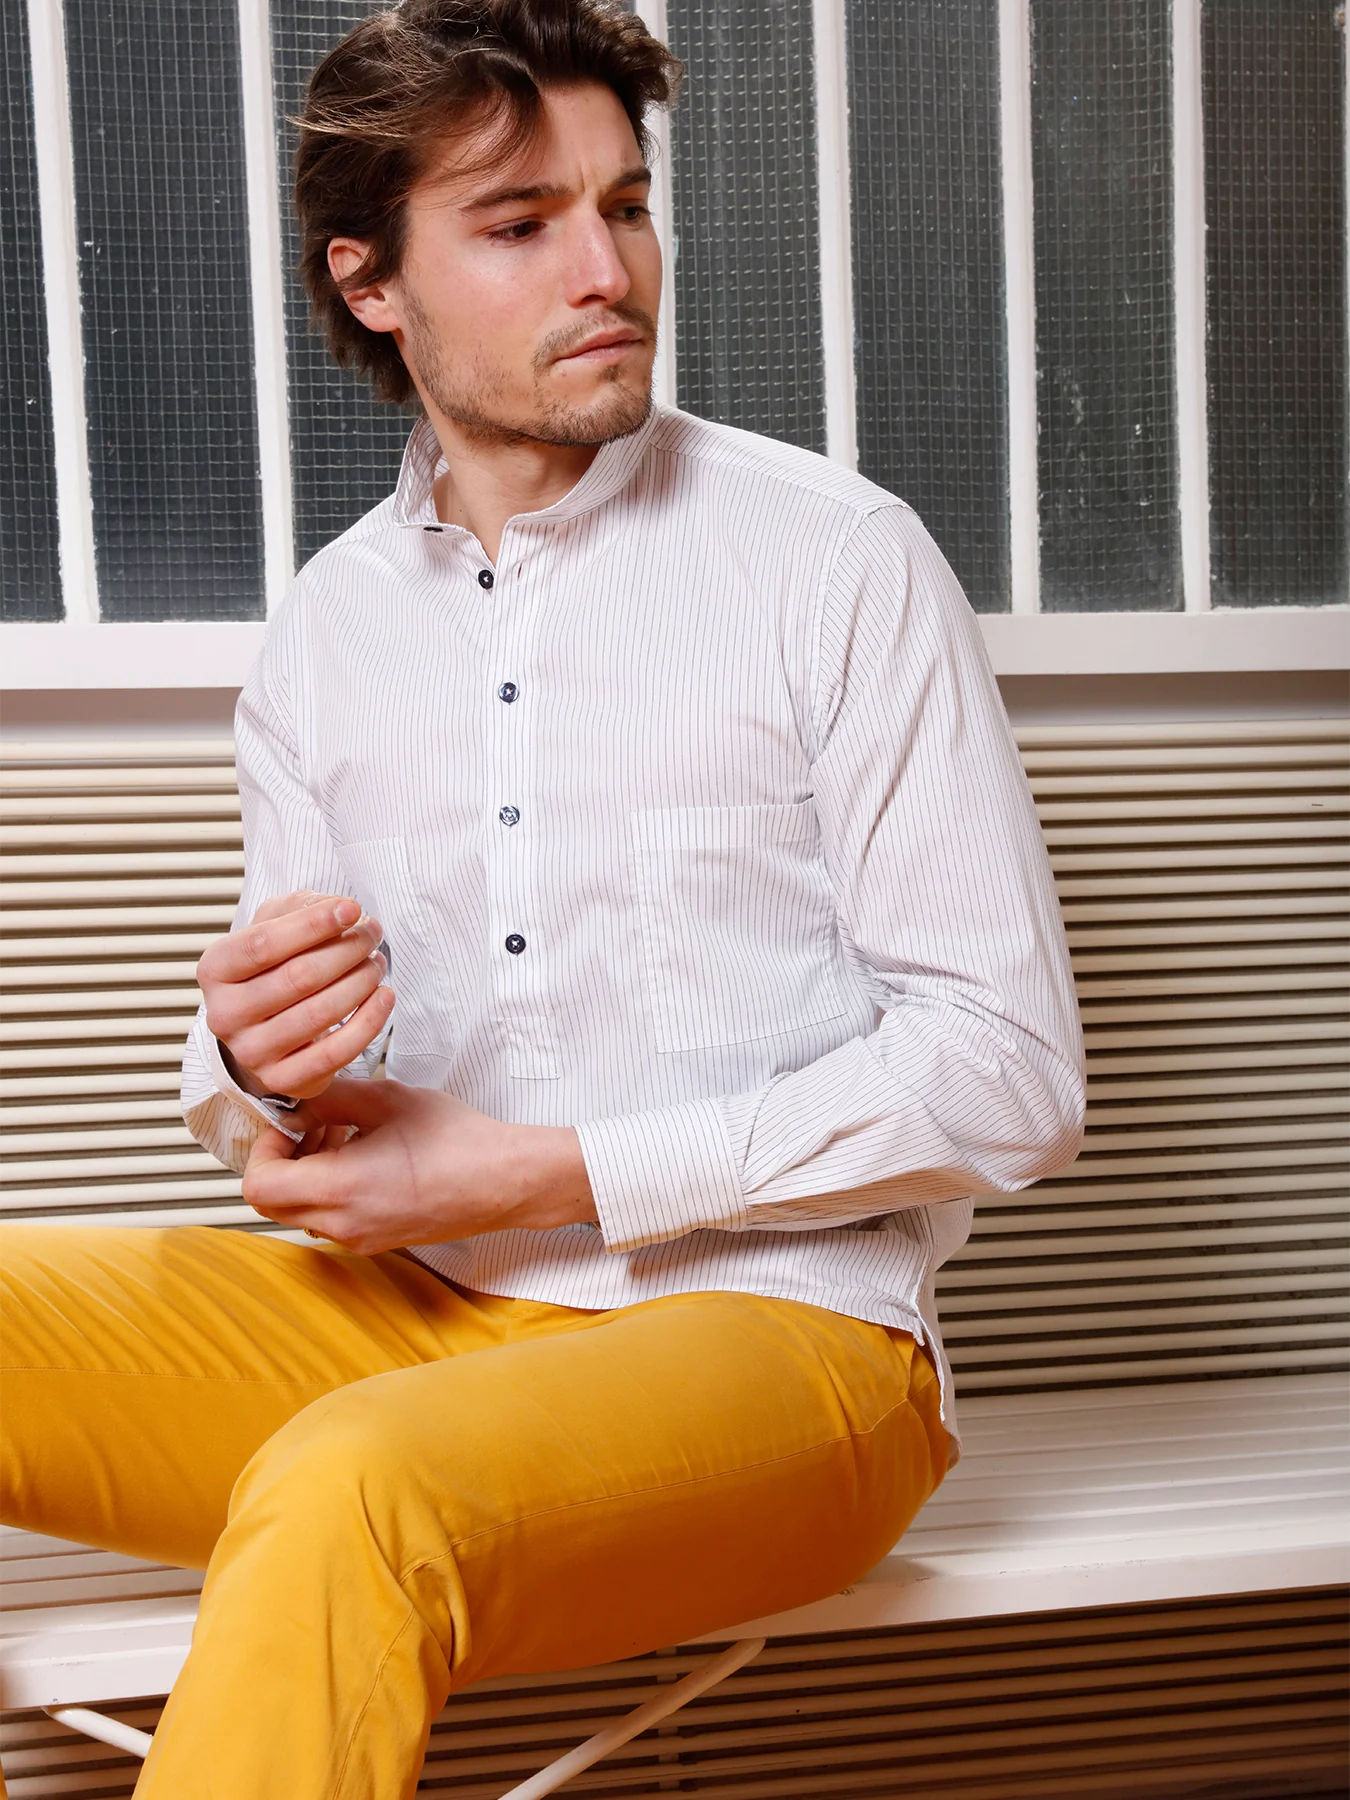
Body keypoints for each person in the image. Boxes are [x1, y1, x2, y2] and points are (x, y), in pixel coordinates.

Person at [0, 1, 1084, 1792]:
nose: (607, 270)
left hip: (788, 1343)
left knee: (353, 1490)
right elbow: (277, 1089)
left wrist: (552, 1172)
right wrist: (257, 1072)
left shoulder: (833, 563)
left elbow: (1007, 1074)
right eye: (519, 223)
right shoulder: (328, 632)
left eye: (625, 206)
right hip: (417, 1323)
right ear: (370, 282)